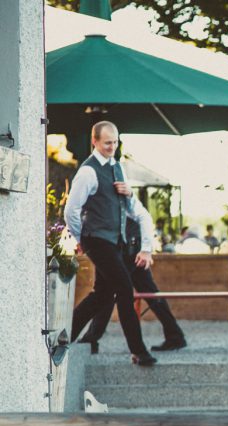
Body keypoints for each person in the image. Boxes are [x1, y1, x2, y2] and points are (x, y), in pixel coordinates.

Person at [66, 121, 156, 366]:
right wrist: (82, 239)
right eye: (107, 143)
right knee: (125, 290)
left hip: (114, 241)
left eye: (115, 142)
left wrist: (129, 193)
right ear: (94, 141)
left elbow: (130, 210)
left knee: (102, 295)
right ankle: (139, 351)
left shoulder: (117, 168)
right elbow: (71, 211)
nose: (112, 147)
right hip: (97, 240)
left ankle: (64, 338)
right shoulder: (88, 172)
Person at [76, 214, 187, 353]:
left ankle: (92, 337)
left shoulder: (105, 195)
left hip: (121, 244)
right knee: (149, 292)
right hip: (132, 243)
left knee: (107, 290)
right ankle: (175, 334)